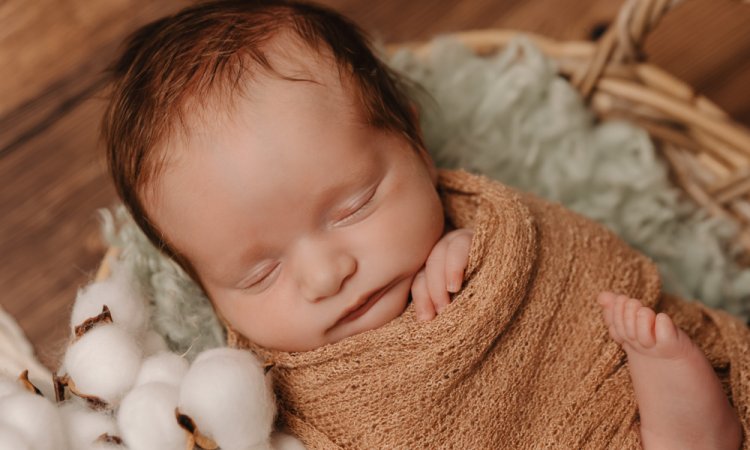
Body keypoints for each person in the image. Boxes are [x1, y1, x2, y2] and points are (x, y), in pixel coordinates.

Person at [102, 1, 744, 448]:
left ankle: (691, 426)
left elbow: (567, 265)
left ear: (414, 139)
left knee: (652, 350)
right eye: (259, 273)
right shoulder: (254, 396)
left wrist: (479, 252)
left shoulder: (490, 235)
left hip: (615, 419)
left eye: (353, 207)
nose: (327, 274)